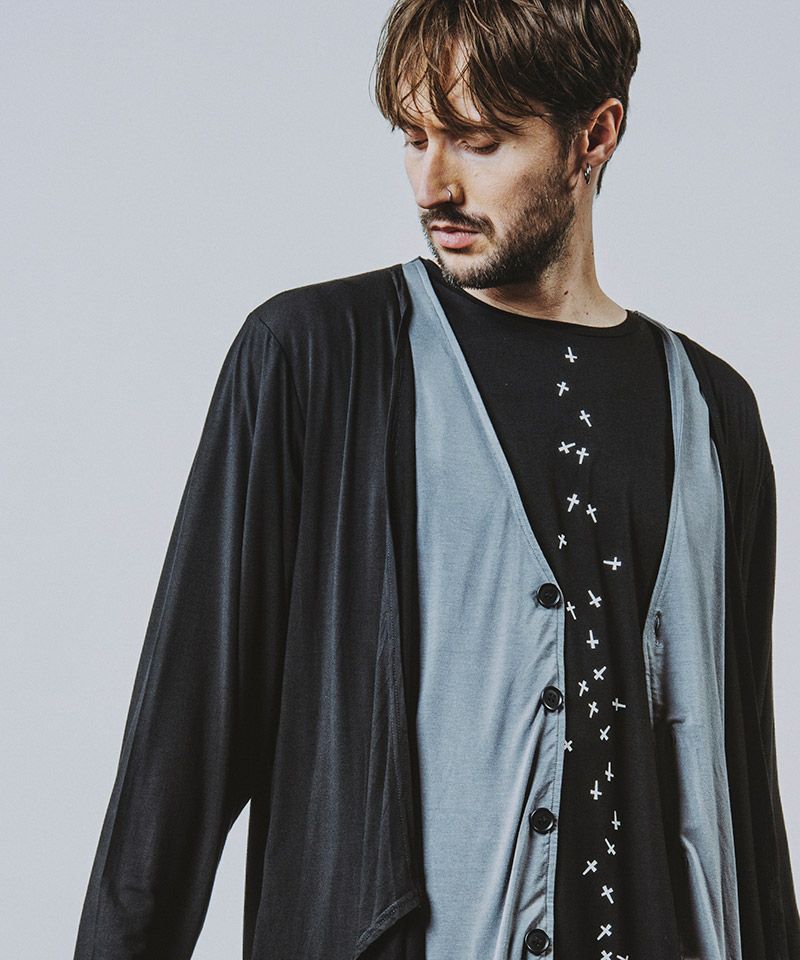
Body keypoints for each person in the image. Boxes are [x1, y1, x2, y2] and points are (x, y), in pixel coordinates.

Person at [73, 2, 799, 959]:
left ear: (596, 135)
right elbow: (183, 747)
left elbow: (744, 790)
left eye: (480, 141)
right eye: (414, 137)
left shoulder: (714, 412)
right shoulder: (316, 359)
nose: (434, 183)